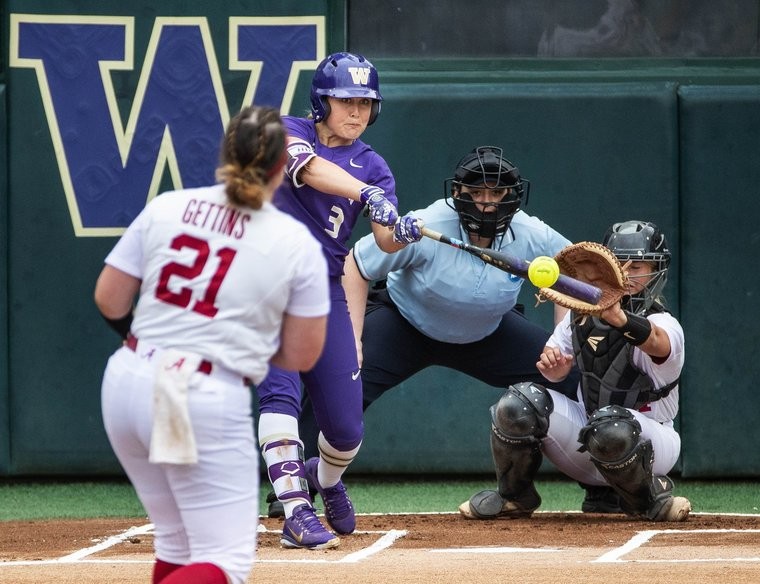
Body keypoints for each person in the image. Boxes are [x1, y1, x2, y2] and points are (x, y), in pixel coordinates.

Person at [270, 145, 622, 517]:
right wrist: (352, 339)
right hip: (404, 325)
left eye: (497, 193)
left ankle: (602, 486)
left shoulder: (531, 233)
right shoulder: (428, 223)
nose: (487, 203)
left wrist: (559, 343)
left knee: (576, 381)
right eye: (477, 193)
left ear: (513, 196)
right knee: (340, 382)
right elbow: (355, 265)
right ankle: (292, 491)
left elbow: (568, 276)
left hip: (490, 331)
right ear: (458, 194)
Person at [95, 105, 330, 584]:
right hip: (203, 393)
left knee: (178, 543)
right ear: (282, 166)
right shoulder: (294, 241)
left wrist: (154, 348)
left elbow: (109, 298)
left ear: (225, 153)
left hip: (127, 378)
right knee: (225, 563)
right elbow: (302, 356)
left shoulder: (168, 205)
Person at [255, 51, 421, 550]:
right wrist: (369, 194)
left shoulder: (374, 164)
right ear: (321, 102)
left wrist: (401, 229)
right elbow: (305, 170)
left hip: (324, 290)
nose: (356, 112)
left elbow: (385, 241)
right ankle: (295, 510)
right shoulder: (286, 130)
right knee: (280, 395)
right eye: (345, 101)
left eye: (366, 103)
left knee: (347, 430)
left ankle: (323, 479)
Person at [459, 220, 691, 522]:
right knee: (520, 403)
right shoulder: (579, 317)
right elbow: (553, 371)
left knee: (610, 424)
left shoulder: (666, 324)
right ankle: (515, 497)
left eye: (637, 268)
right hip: (588, 438)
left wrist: (620, 319)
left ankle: (647, 498)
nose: (626, 275)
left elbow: (658, 343)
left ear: (655, 270)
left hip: (651, 442)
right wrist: (556, 369)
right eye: (620, 265)